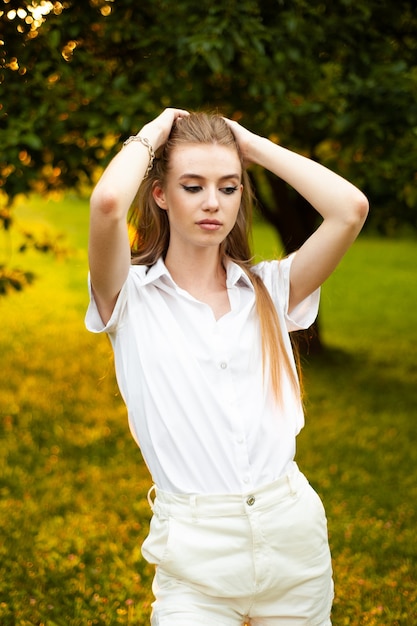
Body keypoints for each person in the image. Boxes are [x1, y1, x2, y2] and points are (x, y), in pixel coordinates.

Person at [86, 108, 368, 626]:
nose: (213, 202)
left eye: (229, 187)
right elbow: (106, 204)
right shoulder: (129, 295)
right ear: (161, 195)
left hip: (292, 540)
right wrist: (152, 135)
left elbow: (350, 208)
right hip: (196, 557)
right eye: (192, 186)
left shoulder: (270, 288)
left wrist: (250, 145)